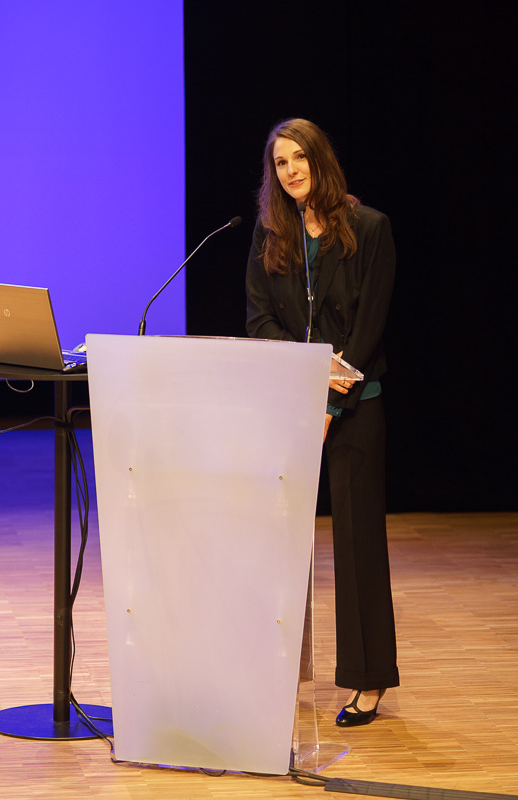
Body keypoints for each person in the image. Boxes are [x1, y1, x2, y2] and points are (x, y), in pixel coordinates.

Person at [246, 118, 399, 726]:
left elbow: (370, 324)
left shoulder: (370, 228)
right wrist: (307, 369)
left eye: (298, 158)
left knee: (357, 544)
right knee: (278, 543)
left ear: (319, 159)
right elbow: (259, 320)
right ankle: (276, 669)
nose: (290, 171)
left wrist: (332, 397)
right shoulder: (270, 235)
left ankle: (368, 679)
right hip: (290, 403)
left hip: (355, 405)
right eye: (280, 163)